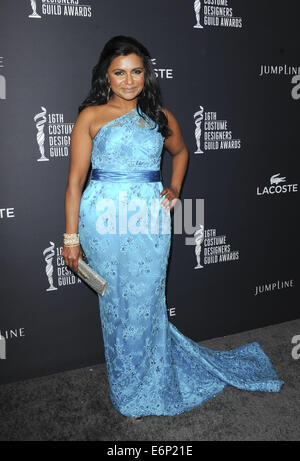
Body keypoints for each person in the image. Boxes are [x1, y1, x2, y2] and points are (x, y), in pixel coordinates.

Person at [62, 36, 284, 422]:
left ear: (146, 74)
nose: (129, 81)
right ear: (106, 76)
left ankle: (152, 378)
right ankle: (127, 384)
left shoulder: (161, 117)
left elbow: (181, 153)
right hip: (102, 221)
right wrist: (70, 238)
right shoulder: (91, 117)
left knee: (148, 303)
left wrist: (176, 188)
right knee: (114, 304)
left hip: (149, 220)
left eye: (136, 72)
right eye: (119, 73)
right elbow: (74, 183)